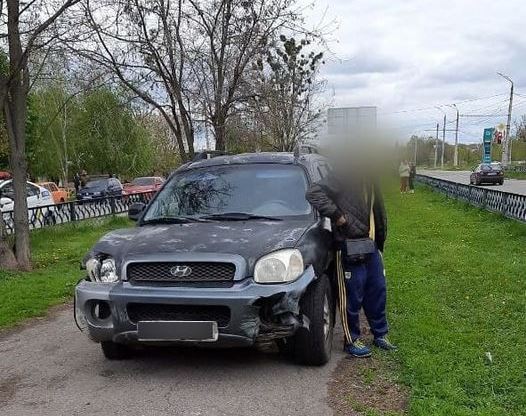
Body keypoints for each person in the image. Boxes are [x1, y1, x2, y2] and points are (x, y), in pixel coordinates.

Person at [306, 167, 397, 358]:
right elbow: (313, 192)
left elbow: (376, 211)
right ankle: (351, 339)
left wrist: (380, 238)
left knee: (377, 290)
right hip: (349, 245)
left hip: (371, 245)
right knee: (351, 295)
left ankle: (380, 335)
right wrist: (338, 216)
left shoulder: (371, 176)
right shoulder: (344, 173)